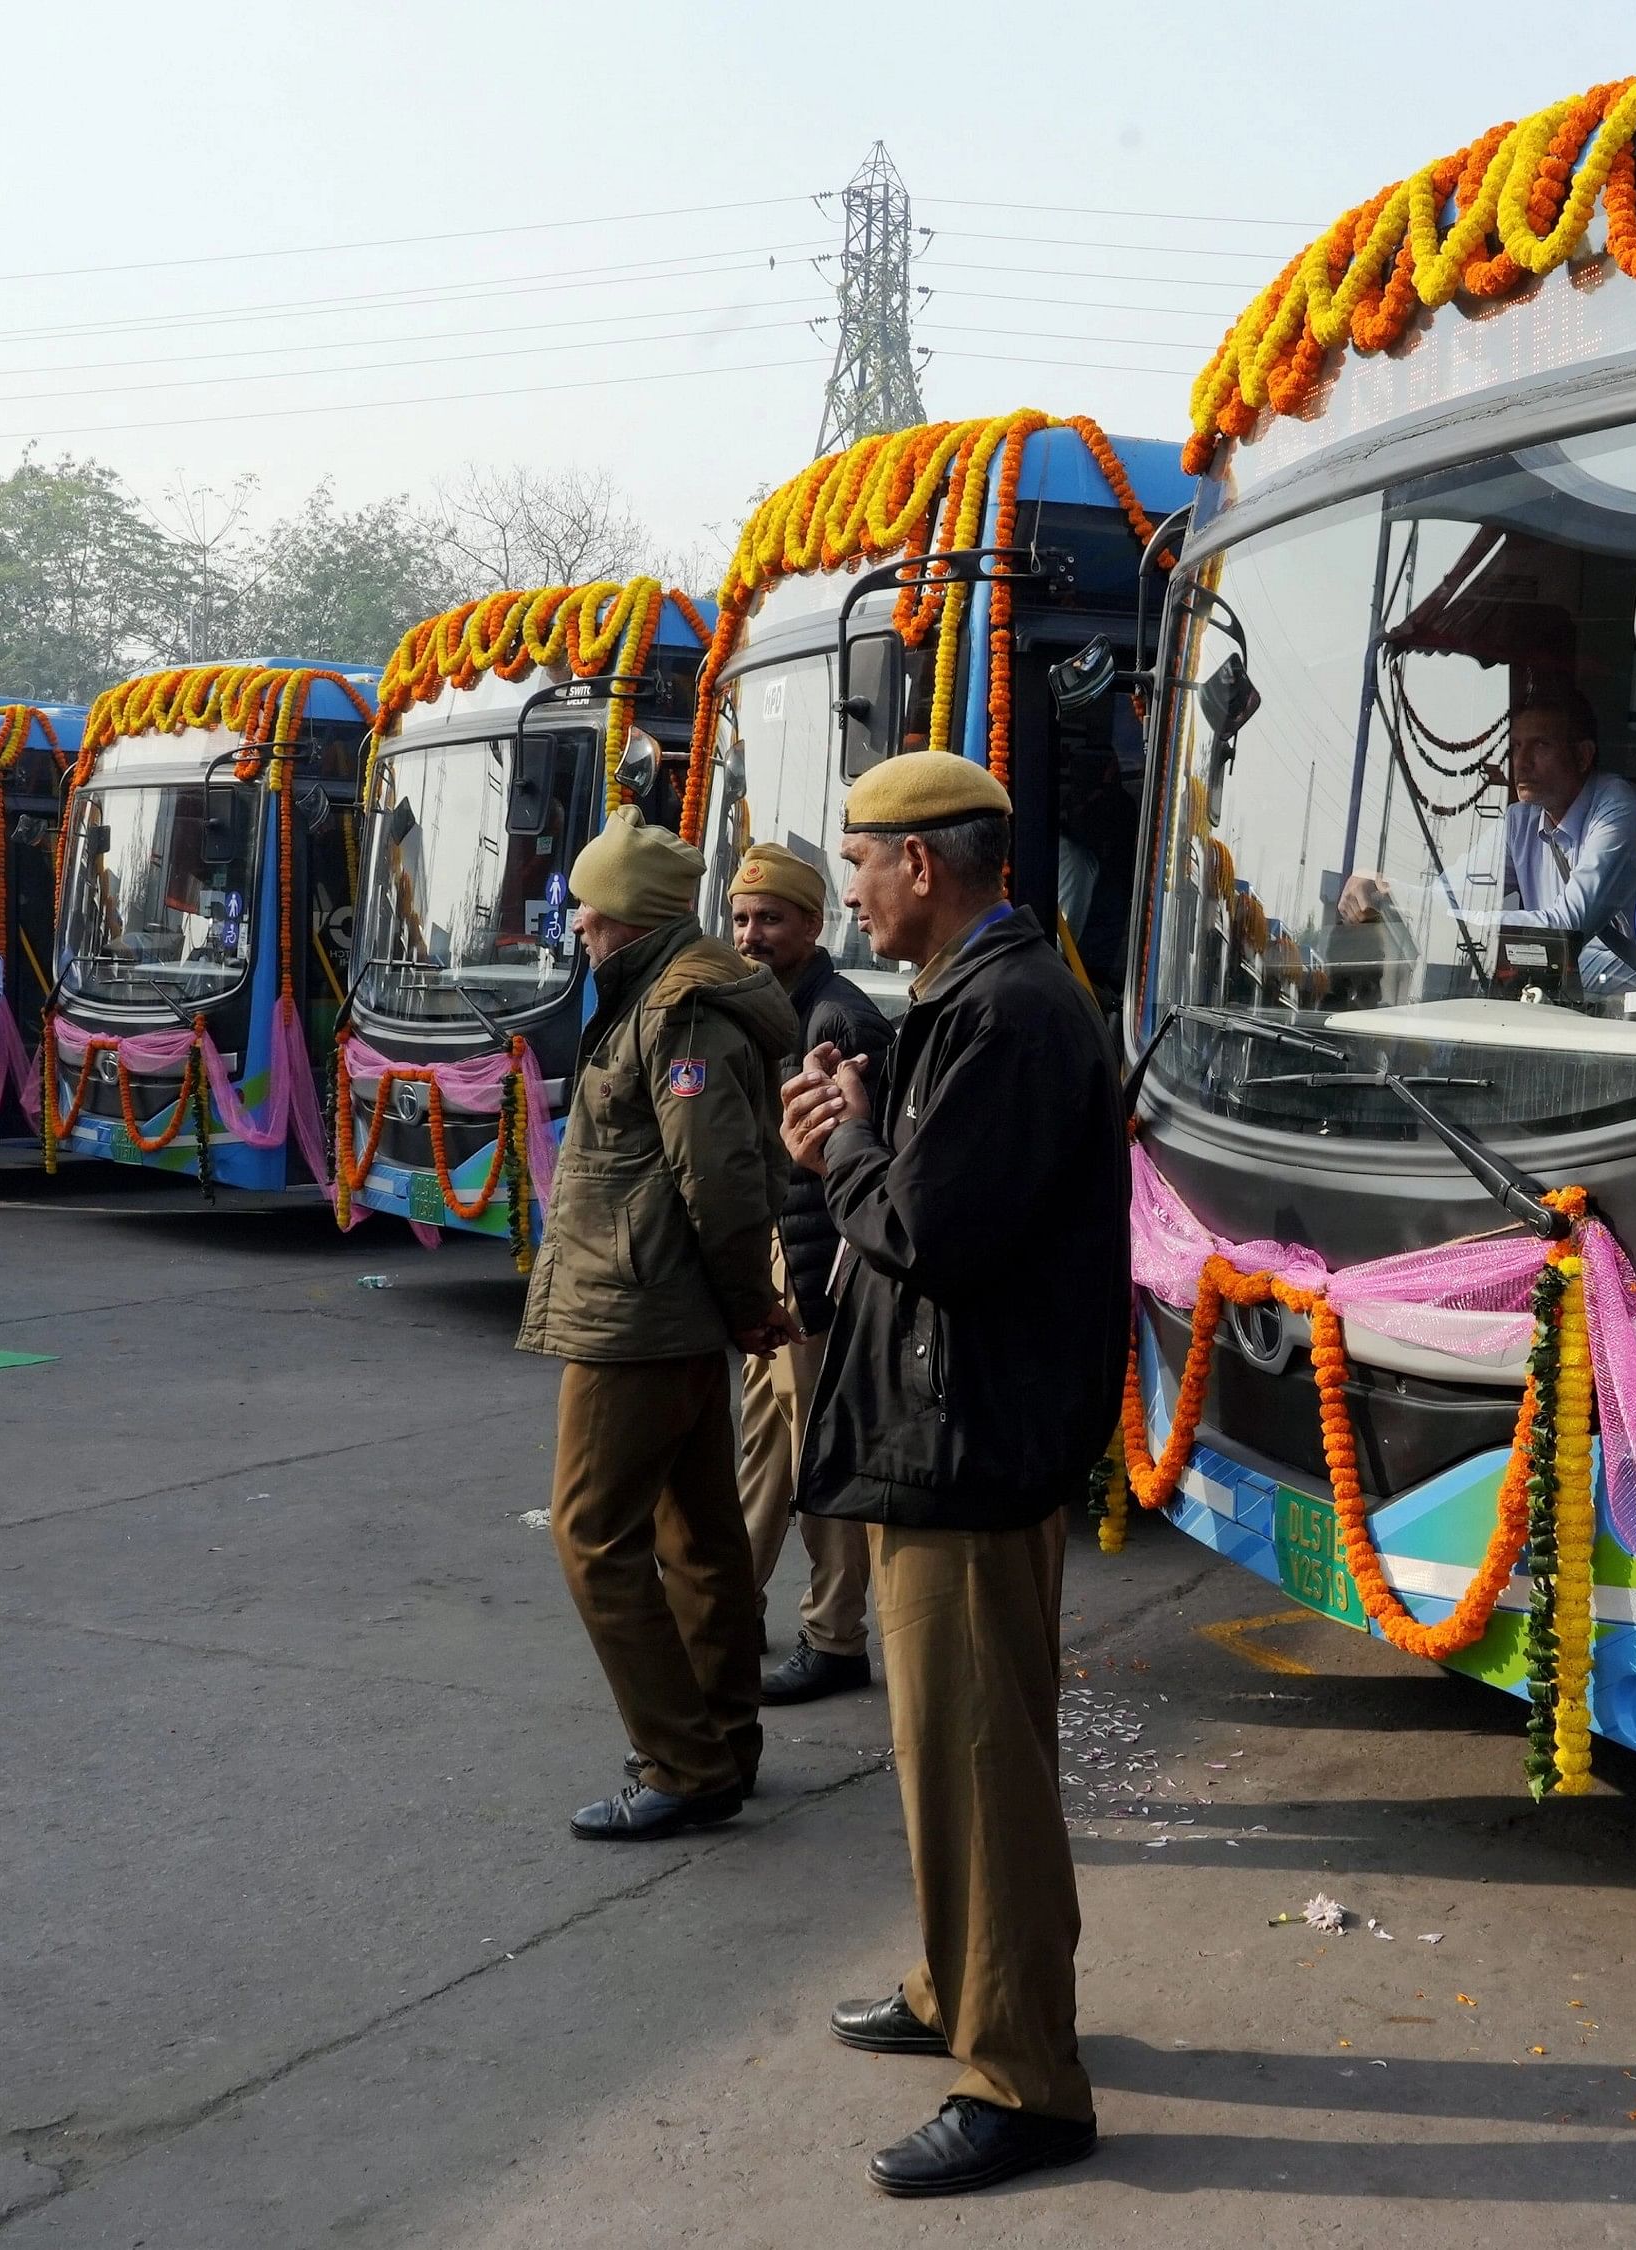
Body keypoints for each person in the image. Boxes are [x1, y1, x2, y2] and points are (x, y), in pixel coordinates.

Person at [781, 751, 1125, 2198]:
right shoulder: (972, 1002)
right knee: (949, 1755)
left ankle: (1026, 2078)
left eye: (860, 859)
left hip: (972, 1444)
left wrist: (842, 1144)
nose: (848, 885)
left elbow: (930, 1226)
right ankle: (959, 1986)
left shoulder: (1018, 1012)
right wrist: (870, 1113)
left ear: (925, 863)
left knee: (982, 1765)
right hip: (949, 1433)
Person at [516, 808, 806, 1844]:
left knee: (595, 1538)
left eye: (589, 914)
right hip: (665, 1306)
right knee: (700, 1535)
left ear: (625, 924)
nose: (579, 928)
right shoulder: (667, 992)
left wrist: (747, 1307)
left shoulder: (678, 1013)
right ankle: (721, 1741)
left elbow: (720, 1179)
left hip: (636, 1312)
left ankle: (682, 1761)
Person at [725, 842, 892, 1706]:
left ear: (813, 926)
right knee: (763, 1447)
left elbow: (847, 1169)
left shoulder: (837, 1021)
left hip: (818, 1272)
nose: (751, 934)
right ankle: (732, 1608)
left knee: (819, 1456)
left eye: (771, 920)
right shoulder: (769, 1009)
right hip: (778, 1259)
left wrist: (819, 1290)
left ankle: (834, 1637)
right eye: (743, 918)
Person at [1333, 684, 1636, 954]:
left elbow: (1566, 928)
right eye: (1517, 746)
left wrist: (1465, 923)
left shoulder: (1615, 806)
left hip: (1628, 1007)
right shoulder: (1519, 822)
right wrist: (1386, 892)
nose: (1521, 763)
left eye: (1541, 745)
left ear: (1583, 756)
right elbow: (1450, 897)